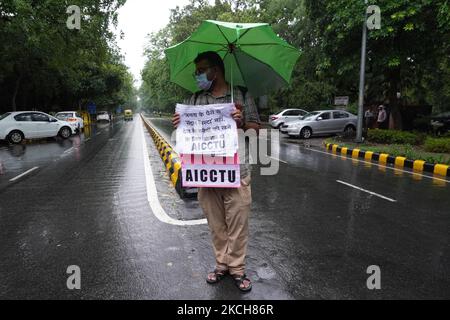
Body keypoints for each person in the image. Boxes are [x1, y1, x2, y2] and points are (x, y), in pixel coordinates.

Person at [172, 51, 261, 293]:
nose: (198, 76)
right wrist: (180, 125)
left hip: (236, 170)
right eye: (197, 72)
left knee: (238, 223)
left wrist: (241, 121)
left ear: (216, 70)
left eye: (201, 71)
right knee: (216, 224)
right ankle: (222, 265)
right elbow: (186, 130)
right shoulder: (194, 100)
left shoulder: (241, 94)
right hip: (206, 172)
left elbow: (255, 130)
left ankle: (238, 268)